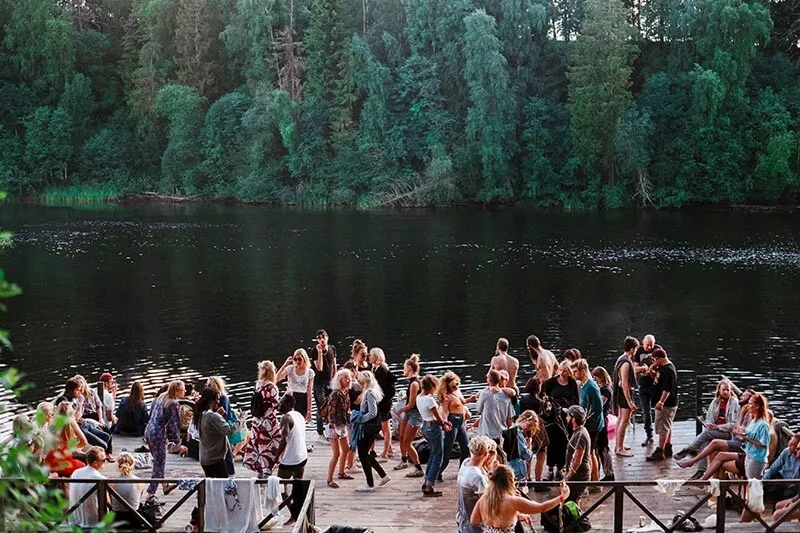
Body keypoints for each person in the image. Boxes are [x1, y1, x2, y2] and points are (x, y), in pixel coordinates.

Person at [470, 464, 570, 533]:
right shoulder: (513, 501)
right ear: (509, 481)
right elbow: (541, 507)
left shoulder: (484, 499)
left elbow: (474, 521)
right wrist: (561, 497)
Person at [673, 378, 740, 480]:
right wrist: (709, 424)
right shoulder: (715, 402)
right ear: (719, 390)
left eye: (728, 390)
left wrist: (718, 427)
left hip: (727, 432)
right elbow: (709, 417)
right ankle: (700, 471)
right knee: (705, 440)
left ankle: (690, 449)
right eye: (724, 390)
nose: (726, 392)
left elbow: (733, 424)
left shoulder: (734, 402)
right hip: (714, 431)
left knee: (706, 434)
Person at [695, 392, 771, 481]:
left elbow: (764, 445)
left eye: (750, 403)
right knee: (719, 455)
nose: (748, 406)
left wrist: (746, 438)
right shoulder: (753, 420)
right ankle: (707, 483)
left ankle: (708, 483)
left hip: (755, 459)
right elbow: (738, 431)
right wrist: (743, 435)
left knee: (720, 460)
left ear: (757, 406)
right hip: (747, 454)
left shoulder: (763, 425)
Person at [144, 380, 184, 499]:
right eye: (182, 389)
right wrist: (177, 441)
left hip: (149, 431)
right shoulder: (173, 404)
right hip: (158, 434)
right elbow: (174, 424)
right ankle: (150, 494)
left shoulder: (160, 397)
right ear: (177, 391)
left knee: (157, 460)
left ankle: (165, 485)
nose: (185, 391)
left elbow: (152, 414)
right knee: (159, 464)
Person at [244, 360, 283, 477]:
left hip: (256, 421)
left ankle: (261, 468)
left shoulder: (258, 385)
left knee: (260, 444)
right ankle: (268, 469)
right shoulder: (272, 387)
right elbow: (276, 405)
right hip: (269, 421)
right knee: (274, 444)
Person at [354, 370, 391, 492]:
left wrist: (360, 419)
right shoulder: (373, 390)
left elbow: (373, 412)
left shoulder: (369, 393)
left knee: (363, 454)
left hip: (368, 427)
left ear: (365, 382)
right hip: (373, 426)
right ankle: (383, 475)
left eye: (360, 381)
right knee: (366, 454)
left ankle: (369, 483)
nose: (359, 383)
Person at [542, 362, 580, 480]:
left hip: (566, 418)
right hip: (553, 418)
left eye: (566, 371)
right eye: (562, 370)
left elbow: (576, 400)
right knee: (552, 444)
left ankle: (560, 468)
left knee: (564, 443)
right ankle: (550, 469)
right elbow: (543, 395)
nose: (564, 373)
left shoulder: (572, 384)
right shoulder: (552, 382)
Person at [276, 394, 310, 523]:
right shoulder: (299, 415)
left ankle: (295, 515)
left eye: (281, 403)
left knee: (280, 488)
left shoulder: (286, 418)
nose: (279, 405)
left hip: (291, 459)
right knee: (297, 486)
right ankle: (300, 515)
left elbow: (283, 440)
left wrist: (275, 459)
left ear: (288, 405)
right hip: (302, 456)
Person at [415, 374, 451, 497]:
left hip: (425, 426)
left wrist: (443, 422)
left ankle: (427, 480)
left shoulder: (419, 397)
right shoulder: (429, 400)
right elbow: (437, 417)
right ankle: (429, 485)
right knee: (438, 457)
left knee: (433, 454)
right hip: (433, 428)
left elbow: (430, 416)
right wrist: (444, 425)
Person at [194, 387, 243, 478]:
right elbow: (229, 431)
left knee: (212, 488)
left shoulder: (201, 414)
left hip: (205, 459)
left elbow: (211, 427)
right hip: (215, 460)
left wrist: (218, 415)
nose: (218, 402)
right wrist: (240, 419)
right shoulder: (213, 416)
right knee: (221, 488)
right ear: (212, 402)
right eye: (217, 400)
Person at [457, 436, 498, 533]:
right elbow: (488, 504)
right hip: (475, 526)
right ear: (485, 454)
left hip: (462, 519)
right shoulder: (478, 478)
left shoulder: (465, 463)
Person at [573, 359, 604, 483]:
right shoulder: (584, 386)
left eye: (575, 372)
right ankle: (593, 479)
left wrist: (586, 421)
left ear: (583, 371)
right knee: (589, 453)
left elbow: (598, 408)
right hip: (588, 424)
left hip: (593, 426)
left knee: (590, 453)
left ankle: (595, 481)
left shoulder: (591, 387)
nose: (573, 374)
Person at [394, 353, 424, 477]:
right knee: (401, 437)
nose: (403, 370)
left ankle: (418, 468)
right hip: (408, 413)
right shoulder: (411, 382)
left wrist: (400, 410)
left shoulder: (414, 384)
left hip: (415, 414)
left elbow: (411, 404)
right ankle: (404, 460)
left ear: (410, 368)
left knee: (407, 442)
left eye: (404, 367)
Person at [438, 370, 471, 481]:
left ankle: (462, 471)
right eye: (453, 385)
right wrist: (445, 423)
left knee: (466, 447)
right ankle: (438, 471)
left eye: (457, 384)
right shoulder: (447, 396)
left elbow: (463, 402)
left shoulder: (458, 391)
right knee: (447, 449)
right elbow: (444, 411)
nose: (456, 386)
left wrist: (473, 398)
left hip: (461, 421)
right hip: (453, 421)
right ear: (448, 386)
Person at [646, 348, 677, 461]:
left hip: (666, 404)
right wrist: (651, 371)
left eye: (655, 360)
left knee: (662, 427)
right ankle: (667, 447)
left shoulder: (668, 370)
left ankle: (660, 451)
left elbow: (667, 389)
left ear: (660, 358)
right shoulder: (662, 368)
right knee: (667, 425)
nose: (654, 362)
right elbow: (659, 380)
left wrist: (661, 402)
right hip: (663, 402)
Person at [325, 369, 353, 488]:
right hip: (333, 426)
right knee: (336, 453)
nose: (349, 380)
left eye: (349, 378)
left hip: (342, 425)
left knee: (346, 449)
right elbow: (331, 413)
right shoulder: (335, 394)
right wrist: (334, 430)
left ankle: (341, 472)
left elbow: (347, 410)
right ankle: (329, 479)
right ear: (340, 379)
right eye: (346, 378)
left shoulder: (345, 392)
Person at [45, 402, 88, 479]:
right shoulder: (72, 423)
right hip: (66, 463)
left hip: (51, 462)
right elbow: (84, 442)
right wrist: (73, 448)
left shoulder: (51, 423)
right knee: (85, 461)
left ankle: (56, 476)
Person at [632, 335, 661, 447]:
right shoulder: (638, 351)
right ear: (643, 343)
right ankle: (649, 435)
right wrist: (644, 369)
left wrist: (652, 368)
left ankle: (662, 433)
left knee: (660, 409)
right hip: (643, 384)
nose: (649, 347)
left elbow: (663, 364)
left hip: (655, 384)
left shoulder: (658, 349)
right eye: (647, 345)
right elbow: (634, 368)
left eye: (651, 345)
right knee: (646, 411)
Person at [613, 336, 639, 457]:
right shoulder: (626, 363)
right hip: (624, 393)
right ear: (632, 348)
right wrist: (629, 401)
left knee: (620, 419)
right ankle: (619, 448)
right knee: (624, 420)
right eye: (636, 348)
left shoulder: (621, 358)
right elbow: (624, 383)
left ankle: (619, 444)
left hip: (621, 392)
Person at [69, 446, 107, 528]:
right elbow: (108, 502)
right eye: (104, 460)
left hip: (74, 519)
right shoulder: (101, 479)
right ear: (95, 463)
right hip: (92, 522)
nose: (105, 462)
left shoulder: (76, 472)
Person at [369, 347, 397, 459]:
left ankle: (385, 451)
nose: (369, 357)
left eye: (371, 355)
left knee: (385, 428)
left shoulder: (381, 370)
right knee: (384, 427)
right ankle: (389, 449)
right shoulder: (375, 368)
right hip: (381, 402)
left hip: (383, 403)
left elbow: (380, 387)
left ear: (375, 357)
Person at [311, 329, 337, 438]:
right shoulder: (314, 351)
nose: (322, 340)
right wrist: (320, 352)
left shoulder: (332, 348)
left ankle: (331, 429)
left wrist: (335, 381)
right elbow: (319, 368)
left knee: (332, 405)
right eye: (319, 338)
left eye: (323, 337)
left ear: (327, 337)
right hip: (318, 383)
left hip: (330, 382)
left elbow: (334, 365)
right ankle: (320, 432)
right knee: (321, 406)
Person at [477, 370, 515, 443]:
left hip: (486, 433)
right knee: (499, 453)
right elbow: (510, 418)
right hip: (501, 433)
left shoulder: (484, 393)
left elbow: (479, 410)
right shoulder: (507, 396)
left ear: (489, 380)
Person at [277, 348, 315, 421]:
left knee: (300, 423)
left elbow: (309, 392)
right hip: (290, 397)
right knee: (289, 422)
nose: (297, 361)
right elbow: (276, 379)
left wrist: (309, 411)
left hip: (302, 398)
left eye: (300, 359)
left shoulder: (310, 372)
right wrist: (285, 364)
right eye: (295, 359)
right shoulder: (290, 369)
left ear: (304, 359)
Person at [591, 366, 615, 481]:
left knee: (603, 447)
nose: (595, 380)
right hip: (601, 419)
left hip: (602, 420)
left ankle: (609, 473)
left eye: (596, 378)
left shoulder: (605, 390)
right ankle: (601, 472)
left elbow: (599, 404)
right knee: (599, 448)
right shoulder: (604, 388)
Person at [564, 405, 592, 503]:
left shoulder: (581, 434)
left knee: (571, 502)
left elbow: (577, 458)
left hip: (579, 475)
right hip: (579, 473)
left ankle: (579, 518)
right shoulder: (579, 432)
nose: (566, 418)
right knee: (573, 502)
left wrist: (568, 476)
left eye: (568, 416)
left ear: (573, 419)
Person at [110, 452, 145, 529]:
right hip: (134, 520)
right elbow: (138, 499)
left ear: (118, 466)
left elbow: (110, 502)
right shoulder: (140, 482)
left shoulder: (112, 483)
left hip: (116, 520)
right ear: (133, 465)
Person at [761, 434, 800, 502]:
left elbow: (795, 479)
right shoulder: (786, 452)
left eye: (794, 446)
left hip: (794, 485)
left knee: (781, 493)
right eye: (790, 444)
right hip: (782, 478)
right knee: (764, 486)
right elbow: (773, 468)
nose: (790, 447)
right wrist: (762, 482)